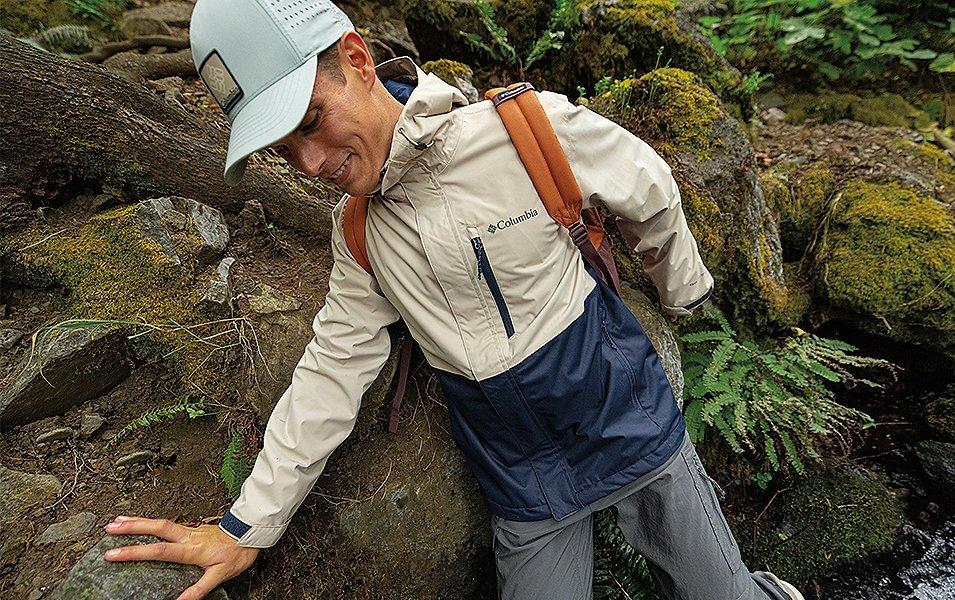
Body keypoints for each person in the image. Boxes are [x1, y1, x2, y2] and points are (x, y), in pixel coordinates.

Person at [102, 1, 805, 599]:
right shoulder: (358, 236)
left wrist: (681, 290)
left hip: (628, 421)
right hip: (521, 474)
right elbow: (332, 369)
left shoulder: (525, 132)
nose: (311, 164)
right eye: (285, 152)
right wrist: (245, 525)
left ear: (355, 56)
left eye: (311, 121)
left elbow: (646, 183)